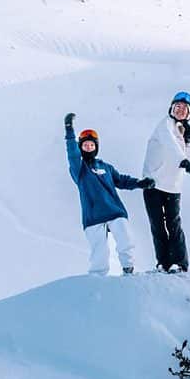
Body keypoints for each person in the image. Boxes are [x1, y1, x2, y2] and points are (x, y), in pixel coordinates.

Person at [65, 112, 155, 275]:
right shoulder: (79, 170)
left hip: (114, 211)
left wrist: (140, 183)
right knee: (99, 252)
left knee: (125, 238)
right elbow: (72, 155)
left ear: (96, 147)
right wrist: (69, 131)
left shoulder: (105, 167)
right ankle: (97, 279)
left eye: (92, 145)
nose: (89, 147)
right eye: (85, 145)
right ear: (81, 148)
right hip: (93, 217)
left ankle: (128, 269)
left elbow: (121, 180)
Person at [142, 91, 190, 272]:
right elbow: (169, 143)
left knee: (174, 224)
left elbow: (188, 158)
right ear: (171, 108)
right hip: (153, 183)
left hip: (173, 186)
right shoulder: (164, 124)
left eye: (185, 109)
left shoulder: (183, 131)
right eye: (177, 107)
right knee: (157, 225)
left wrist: (188, 142)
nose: (180, 111)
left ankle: (180, 263)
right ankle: (163, 262)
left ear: (189, 114)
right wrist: (183, 159)